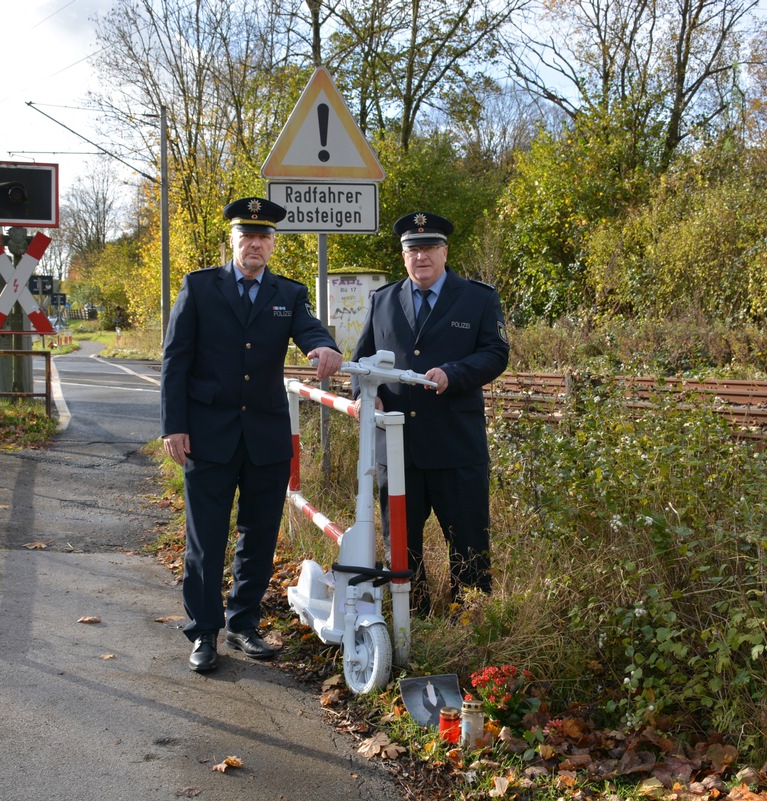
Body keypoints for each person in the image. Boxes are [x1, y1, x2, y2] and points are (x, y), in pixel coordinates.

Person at [161, 196, 342, 673]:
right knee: (206, 539)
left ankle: (243, 623)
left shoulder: (288, 293)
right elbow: (175, 359)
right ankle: (203, 632)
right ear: (233, 240)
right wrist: (173, 426)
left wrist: (324, 348)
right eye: (247, 236)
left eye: (263, 237)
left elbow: (310, 330)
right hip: (207, 435)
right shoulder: (199, 288)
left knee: (259, 536)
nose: (255, 244)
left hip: (264, 438)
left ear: (272, 244)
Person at [351, 211, 510, 613]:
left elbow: (496, 353)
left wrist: (455, 373)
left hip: (456, 447)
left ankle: (471, 624)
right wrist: (364, 395)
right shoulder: (382, 300)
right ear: (403, 256)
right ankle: (412, 620)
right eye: (412, 250)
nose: (421, 257)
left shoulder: (478, 298)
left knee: (470, 545)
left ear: (444, 251)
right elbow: (361, 358)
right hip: (398, 450)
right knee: (401, 548)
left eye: (429, 248)